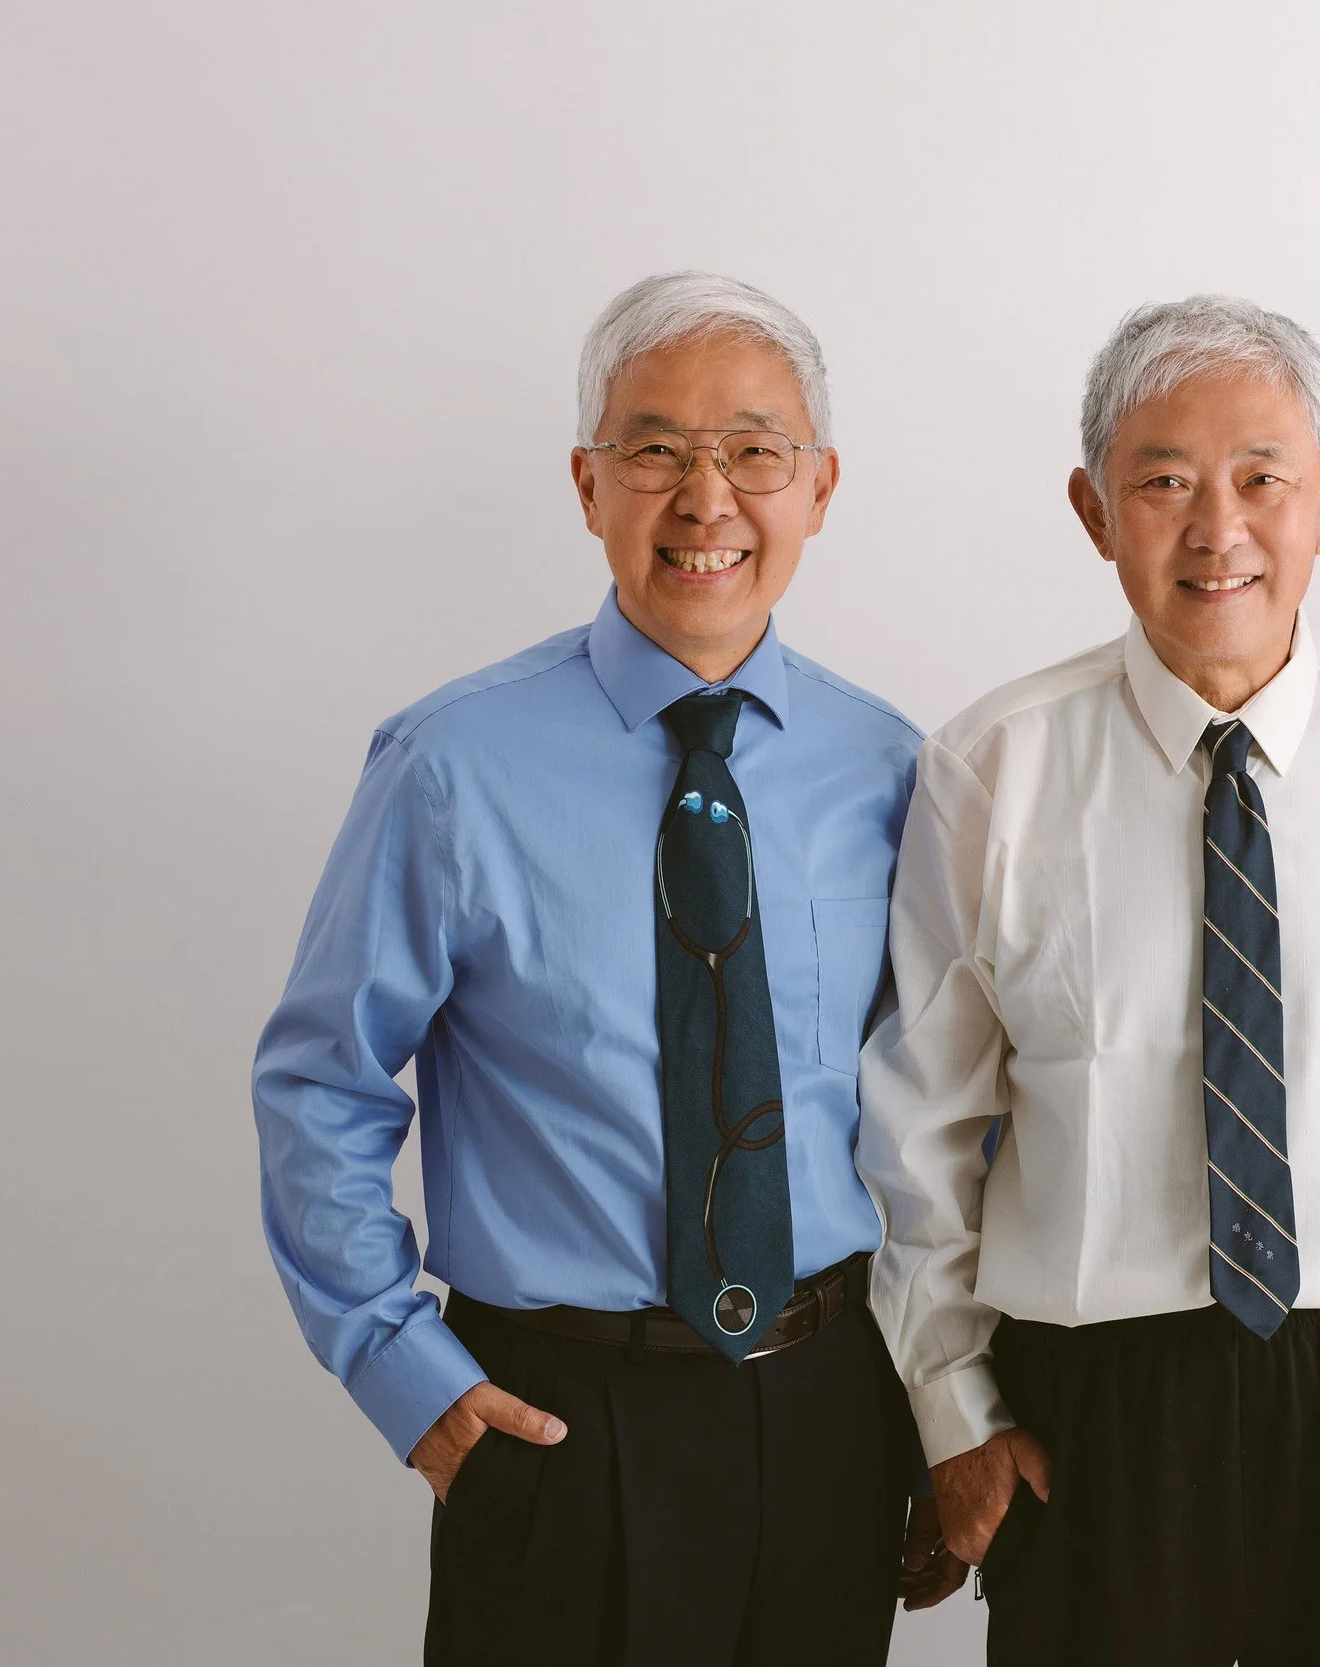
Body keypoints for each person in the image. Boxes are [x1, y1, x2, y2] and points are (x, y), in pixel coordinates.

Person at [252, 270, 959, 1666]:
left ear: (819, 487)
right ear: (588, 483)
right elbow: (318, 1082)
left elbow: (942, 1105)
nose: (708, 500)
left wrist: (938, 1401)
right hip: (562, 1415)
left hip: (830, 1402)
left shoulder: (893, 769)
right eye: (656, 450)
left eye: (756, 451)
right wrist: (411, 1376)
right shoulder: (452, 764)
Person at [856, 295, 1320, 1666]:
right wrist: (953, 1404)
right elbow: (917, 1123)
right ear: (1093, 509)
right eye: (1163, 481)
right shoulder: (992, 771)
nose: (1217, 528)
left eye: (1262, 478)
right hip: (1100, 1397)